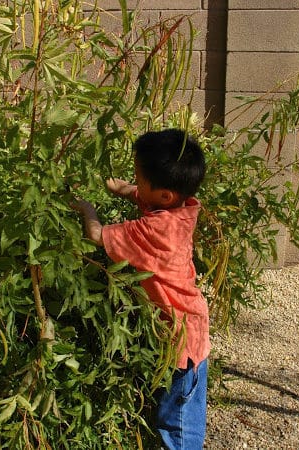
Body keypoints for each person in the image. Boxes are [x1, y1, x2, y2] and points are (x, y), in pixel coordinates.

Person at [73, 128, 210, 450]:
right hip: (185, 327)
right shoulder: (181, 207)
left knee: (176, 422)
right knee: (179, 407)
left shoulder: (157, 230)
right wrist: (117, 186)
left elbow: (97, 236)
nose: (135, 181)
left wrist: (86, 210)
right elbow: (142, 194)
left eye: (138, 176)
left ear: (164, 194)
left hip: (180, 339)